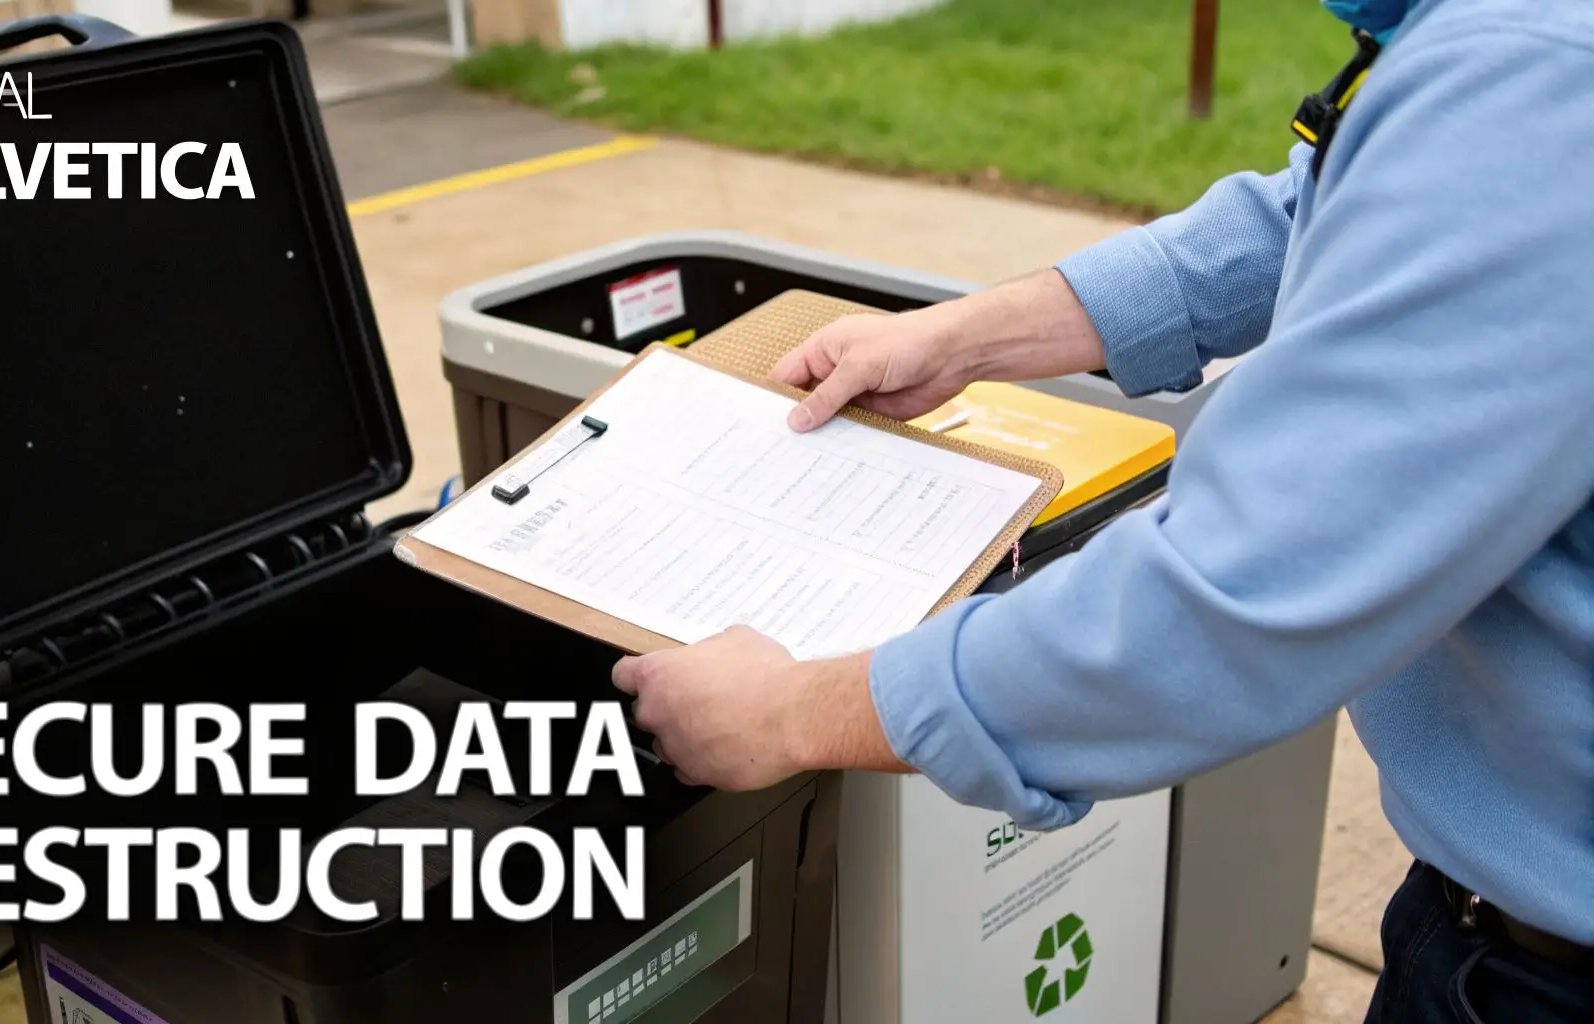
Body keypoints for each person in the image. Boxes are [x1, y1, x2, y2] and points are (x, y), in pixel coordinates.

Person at [607, 0, 1594, 1020]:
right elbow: (1310, 214)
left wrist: (782, 712)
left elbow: (1223, 606)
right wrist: (962, 336)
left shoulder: (1537, 73)